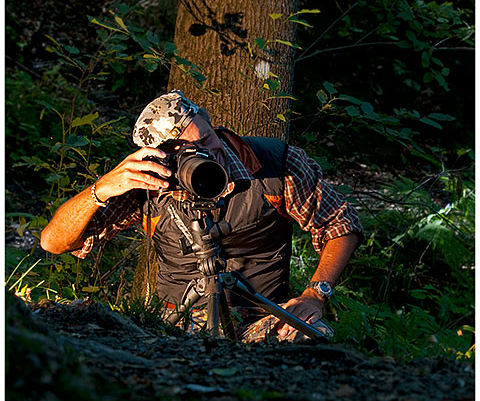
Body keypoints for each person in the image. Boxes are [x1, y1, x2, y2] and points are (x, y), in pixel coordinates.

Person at [41, 90, 363, 342]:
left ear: (210, 122)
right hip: (177, 322)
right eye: (186, 150)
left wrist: (315, 295)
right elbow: (53, 242)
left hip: (260, 317)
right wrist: (102, 188)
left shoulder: (272, 164)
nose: (206, 154)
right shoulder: (149, 183)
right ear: (159, 156)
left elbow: (340, 223)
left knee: (310, 335)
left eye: (206, 139)